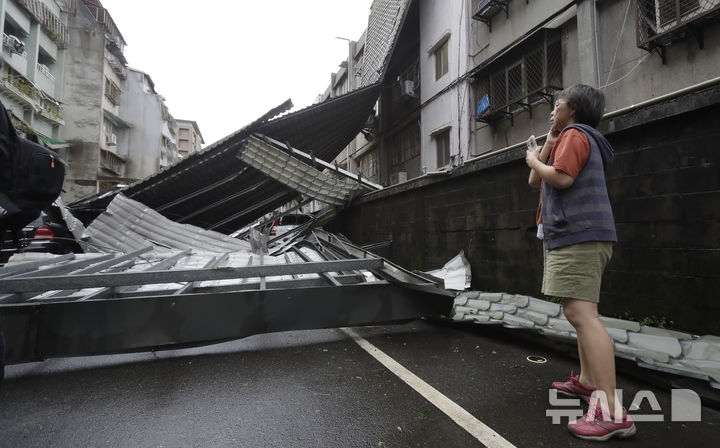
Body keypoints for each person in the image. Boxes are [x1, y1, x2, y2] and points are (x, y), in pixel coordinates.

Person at [525, 84, 636, 441]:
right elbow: (534, 179)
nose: (552, 111)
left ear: (573, 109)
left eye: (556, 105)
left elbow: (560, 177)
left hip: (579, 235)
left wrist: (536, 157)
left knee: (581, 315)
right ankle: (589, 383)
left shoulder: (576, 135)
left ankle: (612, 412)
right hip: (579, 235)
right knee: (579, 313)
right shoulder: (567, 137)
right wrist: (545, 144)